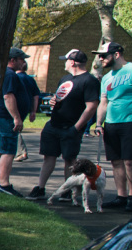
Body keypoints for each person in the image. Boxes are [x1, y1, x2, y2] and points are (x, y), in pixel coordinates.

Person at [25, 50, 99, 200]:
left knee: (70, 160)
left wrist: (77, 127)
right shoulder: (65, 78)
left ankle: (68, 191)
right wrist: (53, 101)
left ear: (72, 62)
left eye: (66, 60)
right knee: (48, 156)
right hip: (54, 124)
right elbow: (60, 98)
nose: (64, 63)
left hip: (71, 127)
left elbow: (91, 106)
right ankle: (40, 188)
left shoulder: (89, 80)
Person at [93, 41, 132, 209]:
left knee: (129, 161)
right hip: (112, 124)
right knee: (116, 162)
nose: (100, 59)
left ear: (117, 54)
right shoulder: (106, 78)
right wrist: (99, 123)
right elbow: (103, 102)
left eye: (103, 56)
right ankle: (121, 196)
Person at [0, 47, 31, 197]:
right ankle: (4, 183)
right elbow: (8, 96)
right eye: (22, 59)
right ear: (13, 60)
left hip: (0, 117)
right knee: (7, 151)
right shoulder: (9, 75)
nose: (24, 62)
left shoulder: (5, 74)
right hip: (6, 118)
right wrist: (16, 117)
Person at [14, 60, 41, 161]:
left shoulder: (16, 78)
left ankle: (21, 151)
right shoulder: (30, 79)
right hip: (26, 106)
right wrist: (33, 111)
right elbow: (36, 96)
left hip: (16, 106)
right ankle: (20, 151)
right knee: (17, 128)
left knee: (14, 128)